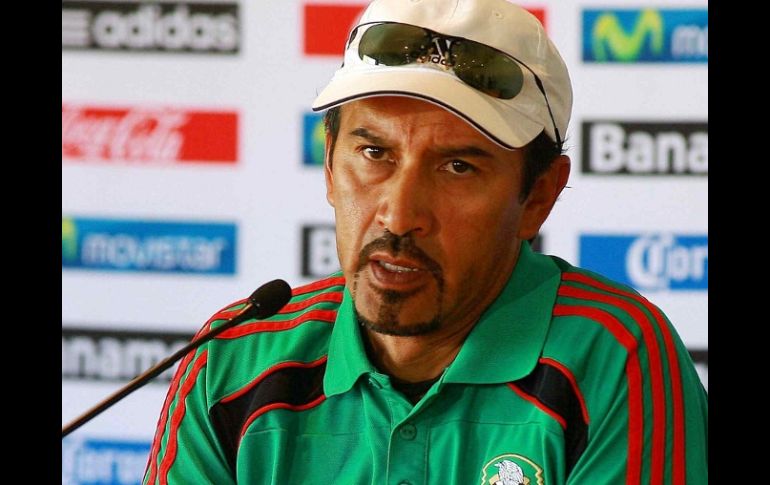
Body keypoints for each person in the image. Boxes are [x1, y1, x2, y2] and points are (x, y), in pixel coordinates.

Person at [143, 0, 708, 483]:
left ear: (538, 197)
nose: (399, 214)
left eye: (458, 166)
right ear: (329, 165)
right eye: (374, 154)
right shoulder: (231, 360)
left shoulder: (614, 353)